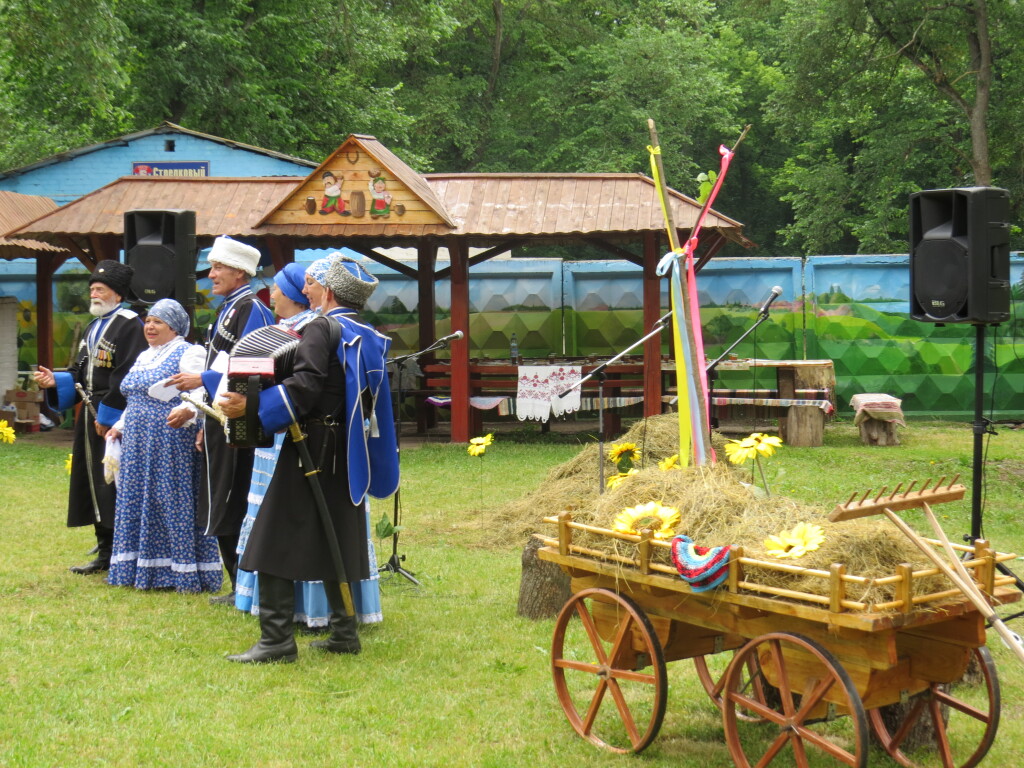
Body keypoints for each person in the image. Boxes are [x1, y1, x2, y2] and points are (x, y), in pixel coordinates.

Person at [222, 256, 399, 663]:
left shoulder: (321, 326)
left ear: (328, 291)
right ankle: (343, 633)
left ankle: (276, 641)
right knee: (337, 539)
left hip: (312, 445)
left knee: (270, 538)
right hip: (349, 452)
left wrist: (250, 409)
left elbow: (304, 388)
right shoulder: (369, 335)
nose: (307, 290)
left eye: (313, 285)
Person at [168, 236, 274, 604]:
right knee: (220, 498)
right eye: (212, 267)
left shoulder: (253, 310)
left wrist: (204, 381)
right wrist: (205, 418)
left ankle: (246, 585)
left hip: (240, 421)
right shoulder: (230, 308)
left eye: (218, 268)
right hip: (221, 418)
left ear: (240, 272)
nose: (211, 275)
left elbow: (256, 367)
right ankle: (237, 584)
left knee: (234, 498)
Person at [34, 260, 147, 574]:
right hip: (90, 415)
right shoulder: (93, 325)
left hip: (115, 415)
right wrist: (56, 380)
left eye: (100, 289)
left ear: (117, 293)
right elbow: (79, 371)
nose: (94, 295)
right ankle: (104, 551)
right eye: (92, 290)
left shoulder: (131, 325)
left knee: (112, 481)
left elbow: (125, 375)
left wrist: (108, 417)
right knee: (94, 481)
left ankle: (121, 552)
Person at [105, 299, 222, 592]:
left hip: (170, 440)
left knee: (170, 498)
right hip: (137, 441)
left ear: (174, 326)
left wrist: (192, 412)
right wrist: (118, 427)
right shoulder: (144, 355)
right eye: (148, 321)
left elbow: (202, 392)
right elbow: (135, 398)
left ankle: (179, 571)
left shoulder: (189, 352)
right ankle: (139, 568)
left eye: (158, 322)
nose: (150, 327)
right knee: (139, 498)